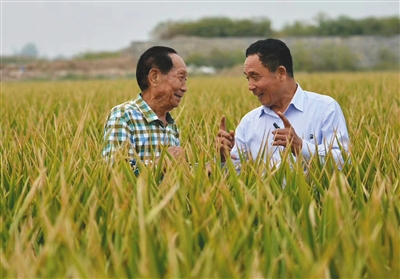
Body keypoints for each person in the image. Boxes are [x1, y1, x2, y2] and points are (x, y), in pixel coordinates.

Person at [216, 38, 350, 170]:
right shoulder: (249, 122)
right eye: (248, 78)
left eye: (255, 77)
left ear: (281, 73)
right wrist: (223, 159)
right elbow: (238, 175)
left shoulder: (325, 108)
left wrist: (301, 147)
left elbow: (344, 161)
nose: (250, 86)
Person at [102, 46, 187, 173]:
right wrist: (160, 163)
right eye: (181, 78)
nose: (184, 87)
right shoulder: (124, 116)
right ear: (154, 77)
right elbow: (115, 169)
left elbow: (179, 173)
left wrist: (218, 160)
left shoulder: (170, 125)